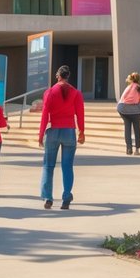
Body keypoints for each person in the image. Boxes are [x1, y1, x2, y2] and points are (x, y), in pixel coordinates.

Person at [38, 65, 85, 210]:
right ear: (68, 76)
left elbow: (45, 115)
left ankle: (48, 198)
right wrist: (82, 131)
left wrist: (40, 135)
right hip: (69, 131)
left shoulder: (49, 92)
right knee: (67, 166)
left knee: (48, 166)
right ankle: (66, 198)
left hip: (53, 131)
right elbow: (80, 114)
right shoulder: (76, 93)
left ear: (58, 76)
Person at [117, 71, 140, 155]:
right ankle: (137, 149)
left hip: (123, 109)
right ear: (139, 79)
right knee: (137, 129)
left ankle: (128, 148)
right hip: (135, 111)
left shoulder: (128, 87)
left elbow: (122, 98)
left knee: (127, 128)